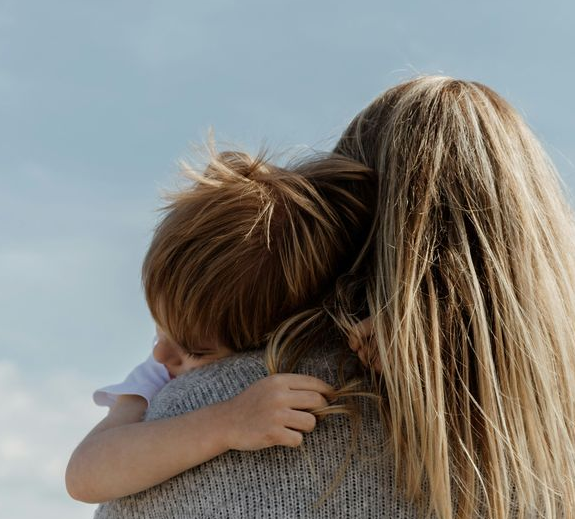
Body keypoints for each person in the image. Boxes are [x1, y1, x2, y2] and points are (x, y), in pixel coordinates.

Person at [97, 75, 575, 519]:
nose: (163, 356)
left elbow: (90, 475)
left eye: (193, 346)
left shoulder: (204, 410)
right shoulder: (557, 448)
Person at [64, 149, 375, 505]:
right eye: (159, 327)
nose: (159, 352)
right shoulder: (156, 375)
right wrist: (226, 423)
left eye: (194, 349)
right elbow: (85, 475)